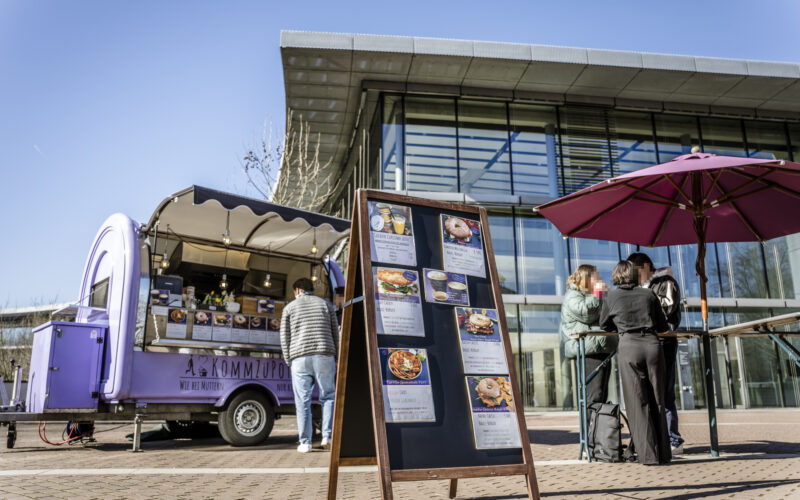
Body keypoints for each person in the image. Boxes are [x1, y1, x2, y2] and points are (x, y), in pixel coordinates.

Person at [600, 260, 671, 465]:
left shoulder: (612, 297)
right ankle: (664, 454)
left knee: (637, 402)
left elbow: (604, 324)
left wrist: (621, 324)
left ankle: (648, 455)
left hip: (629, 346)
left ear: (616, 275)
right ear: (633, 274)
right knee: (657, 399)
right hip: (652, 345)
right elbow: (662, 324)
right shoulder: (648, 294)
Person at [627, 252, 685, 456]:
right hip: (646, 341)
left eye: (635, 272)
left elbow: (666, 310)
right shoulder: (641, 288)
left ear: (644, 267)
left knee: (664, 391)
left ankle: (673, 440)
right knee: (649, 392)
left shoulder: (666, 282)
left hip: (663, 340)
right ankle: (657, 438)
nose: (634, 277)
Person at [280, 278, 339, 453]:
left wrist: (288, 359)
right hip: (324, 354)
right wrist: (336, 354)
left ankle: (305, 442)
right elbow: (335, 331)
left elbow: (284, 337)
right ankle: (326, 437)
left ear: (297, 290)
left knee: (302, 400)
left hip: (299, 357)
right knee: (328, 396)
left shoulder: (289, 308)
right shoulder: (326, 304)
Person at [560, 264, 615, 409]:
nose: (600, 279)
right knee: (594, 395)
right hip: (588, 350)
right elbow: (586, 314)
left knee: (601, 394)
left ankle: (599, 429)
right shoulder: (573, 295)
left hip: (601, 347)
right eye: (597, 276)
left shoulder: (593, 296)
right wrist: (597, 294)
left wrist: (608, 297)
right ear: (586, 278)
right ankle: (592, 430)